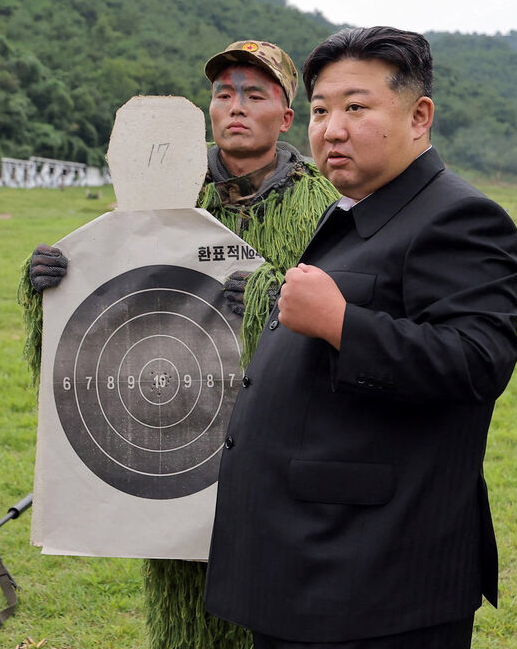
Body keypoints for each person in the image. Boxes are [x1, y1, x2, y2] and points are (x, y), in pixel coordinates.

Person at [204, 26, 517, 648]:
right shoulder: (357, 208)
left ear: (419, 116)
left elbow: (477, 361)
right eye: (323, 110)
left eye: (357, 107)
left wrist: (340, 323)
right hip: (315, 562)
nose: (331, 129)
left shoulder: (458, 216)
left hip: (373, 578)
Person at [21, 40, 339, 649]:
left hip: (281, 443)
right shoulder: (159, 200)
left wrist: (272, 301)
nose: (236, 107)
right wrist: (54, 287)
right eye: (223, 95)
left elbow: (339, 323)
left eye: (255, 94)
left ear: (286, 115)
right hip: (175, 434)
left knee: (279, 603)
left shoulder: (321, 208)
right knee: (188, 604)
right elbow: (105, 321)